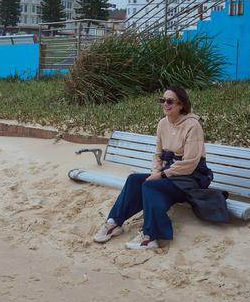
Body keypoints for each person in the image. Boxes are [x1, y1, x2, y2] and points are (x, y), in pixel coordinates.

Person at [93, 85, 228, 250]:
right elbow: (158, 154)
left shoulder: (193, 126)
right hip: (170, 174)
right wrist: (157, 170)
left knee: (151, 185)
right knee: (134, 180)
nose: (165, 104)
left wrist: (162, 175)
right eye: (162, 100)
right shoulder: (163, 123)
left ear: (181, 105)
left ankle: (150, 236)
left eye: (170, 101)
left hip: (191, 177)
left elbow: (190, 163)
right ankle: (114, 223)